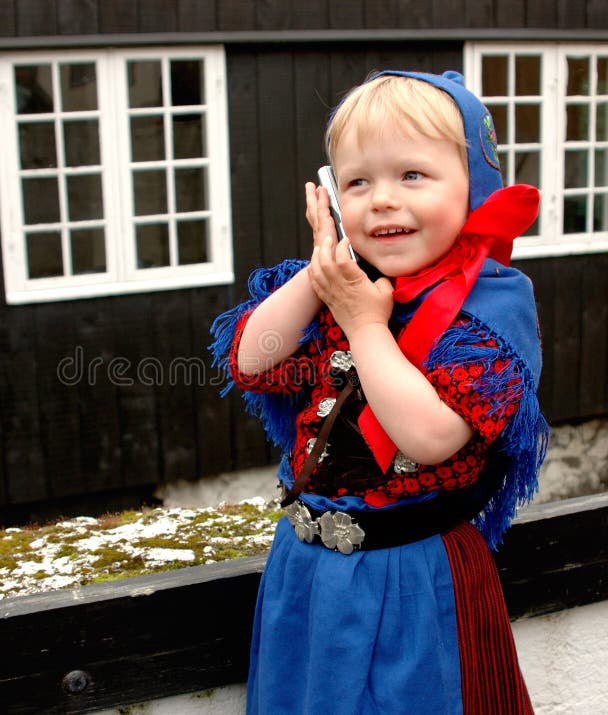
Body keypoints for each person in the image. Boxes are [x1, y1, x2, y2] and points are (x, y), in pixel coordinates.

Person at [209, 70, 548, 714]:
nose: (382, 201)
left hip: (416, 577)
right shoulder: (334, 282)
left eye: (412, 176)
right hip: (307, 574)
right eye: (357, 182)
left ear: (473, 187)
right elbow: (251, 362)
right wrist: (321, 272)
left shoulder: (490, 311)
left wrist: (365, 324)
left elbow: (430, 436)